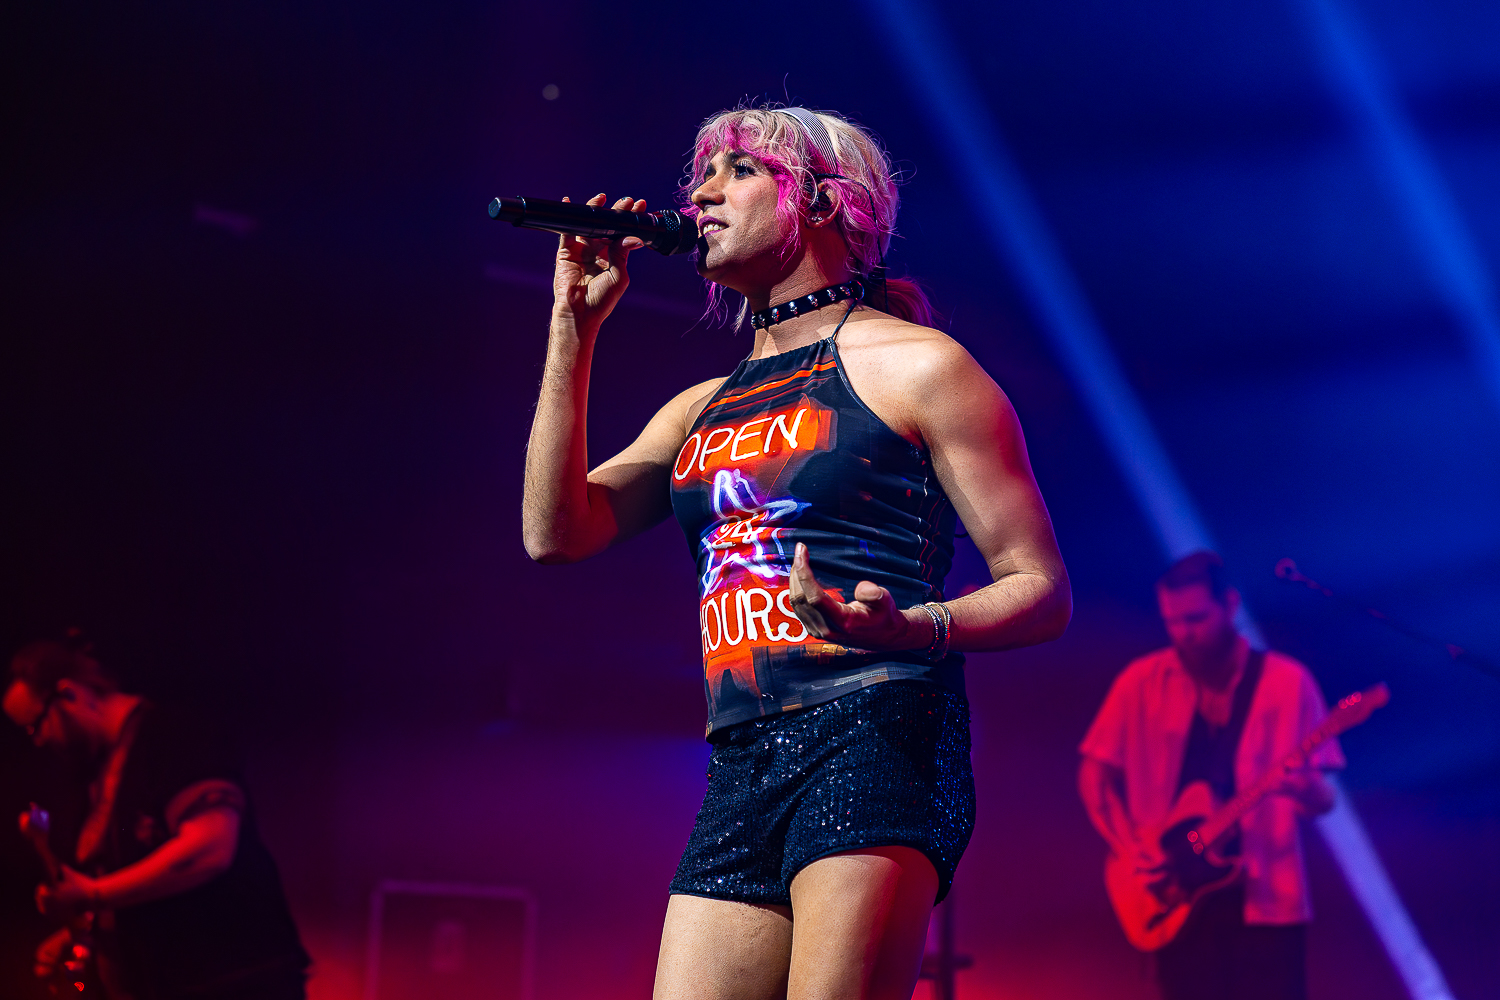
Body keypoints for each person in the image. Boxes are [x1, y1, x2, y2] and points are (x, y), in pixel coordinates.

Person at [521, 104, 1071, 999]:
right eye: (701, 175)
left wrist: (913, 627)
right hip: (741, 755)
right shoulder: (700, 407)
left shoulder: (923, 368)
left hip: (877, 728)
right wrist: (571, 330)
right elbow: (556, 533)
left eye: (737, 170)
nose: (700, 194)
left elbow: (1040, 586)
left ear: (820, 200)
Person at [1077, 552, 1344, 1000]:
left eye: (1196, 619)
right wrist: (1129, 848)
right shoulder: (1140, 682)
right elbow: (1094, 774)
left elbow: (1326, 801)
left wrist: (1305, 788)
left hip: (1268, 902)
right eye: (1172, 622)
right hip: (1174, 898)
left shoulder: (1289, 682)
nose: (1184, 633)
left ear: (1231, 605)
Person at [2, 639, 310, 1000]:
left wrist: (94, 895)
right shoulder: (100, 771)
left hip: (231, 984)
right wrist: (82, 934)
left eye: (36, 725)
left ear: (69, 694)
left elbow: (210, 849)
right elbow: (140, 887)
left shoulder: (174, 735)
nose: (39, 741)